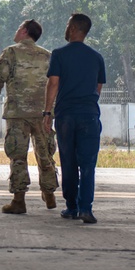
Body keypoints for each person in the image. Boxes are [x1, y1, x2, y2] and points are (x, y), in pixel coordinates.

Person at [0, 19, 59, 214]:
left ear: (25, 31)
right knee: (45, 154)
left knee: (18, 156)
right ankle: (49, 194)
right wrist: (52, 110)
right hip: (43, 114)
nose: (16, 32)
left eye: (18, 28)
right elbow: (56, 85)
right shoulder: (47, 56)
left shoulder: (11, 53)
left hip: (18, 115)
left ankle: (19, 200)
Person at [43, 13, 107, 224]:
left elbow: (53, 84)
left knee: (69, 162)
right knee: (88, 164)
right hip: (89, 115)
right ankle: (86, 209)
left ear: (72, 28)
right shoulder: (96, 57)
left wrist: (47, 113)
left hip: (66, 117)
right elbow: (98, 88)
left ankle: (71, 207)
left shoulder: (59, 54)